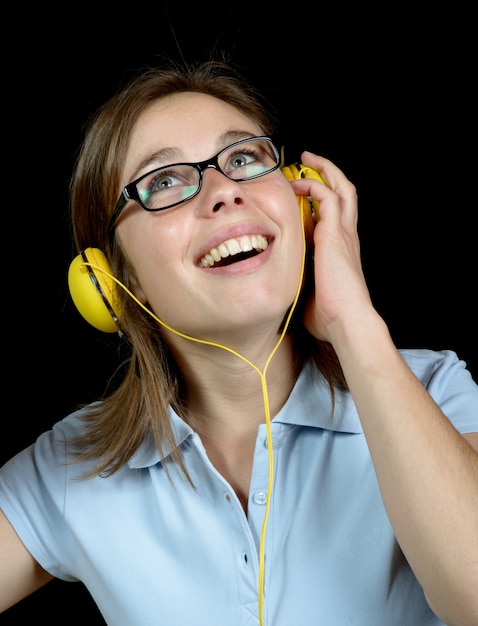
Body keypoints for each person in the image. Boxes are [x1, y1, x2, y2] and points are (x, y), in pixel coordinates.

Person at [1, 59, 477, 626]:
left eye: (244, 158)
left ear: (304, 204)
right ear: (113, 282)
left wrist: (354, 322)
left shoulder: (433, 389)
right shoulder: (71, 466)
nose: (224, 191)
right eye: (164, 180)